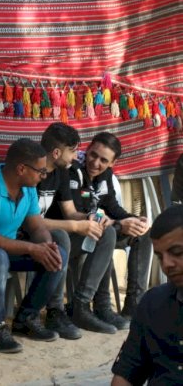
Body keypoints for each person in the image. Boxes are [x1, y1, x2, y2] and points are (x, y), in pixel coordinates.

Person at [0, 138, 67, 353]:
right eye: (41, 171)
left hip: (6, 249)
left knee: (59, 254)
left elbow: (36, 227)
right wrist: (31, 248)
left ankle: (26, 318)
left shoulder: (28, 188)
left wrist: (47, 246)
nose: (44, 176)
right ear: (21, 169)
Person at [39, 123, 123, 336]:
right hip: (36, 238)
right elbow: (30, 222)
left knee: (106, 232)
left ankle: (83, 305)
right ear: (57, 153)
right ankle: (55, 311)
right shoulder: (36, 172)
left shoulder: (60, 172)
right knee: (61, 237)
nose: (80, 157)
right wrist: (78, 224)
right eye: (75, 151)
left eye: (103, 160)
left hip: (56, 235)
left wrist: (90, 219)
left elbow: (71, 212)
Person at [67, 132, 153, 319]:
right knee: (108, 232)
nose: (95, 163)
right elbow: (80, 211)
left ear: (112, 163)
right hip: (77, 231)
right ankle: (100, 305)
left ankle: (134, 306)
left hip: (100, 226)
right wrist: (118, 223)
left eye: (103, 160)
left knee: (143, 233)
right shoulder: (73, 169)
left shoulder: (105, 174)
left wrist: (134, 219)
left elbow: (111, 207)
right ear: (87, 149)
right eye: (93, 155)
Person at [110, 204, 183, 385]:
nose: (166, 264)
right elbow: (126, 373)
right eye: (160, 256)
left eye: (177, 252)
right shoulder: (152, 304)